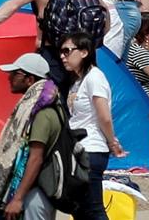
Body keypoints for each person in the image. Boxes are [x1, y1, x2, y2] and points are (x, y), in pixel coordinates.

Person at [0, 53, 60, 219]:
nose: (9, 78)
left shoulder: (41, 112)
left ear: (30, 79)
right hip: (32, 189)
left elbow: (35, 158)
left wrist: (18, 198)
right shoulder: (35, 105)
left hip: (34, 193)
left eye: (15, 74)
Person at [61, 31, 124, 217]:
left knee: (93, 207)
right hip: (78, 150)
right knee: (80, 208)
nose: (62, 56)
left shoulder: (95, 77)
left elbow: (104, 116)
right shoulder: (77, 81)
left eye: (67, 51)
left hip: (91, 150)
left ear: (84, 52)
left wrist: (112, 142)